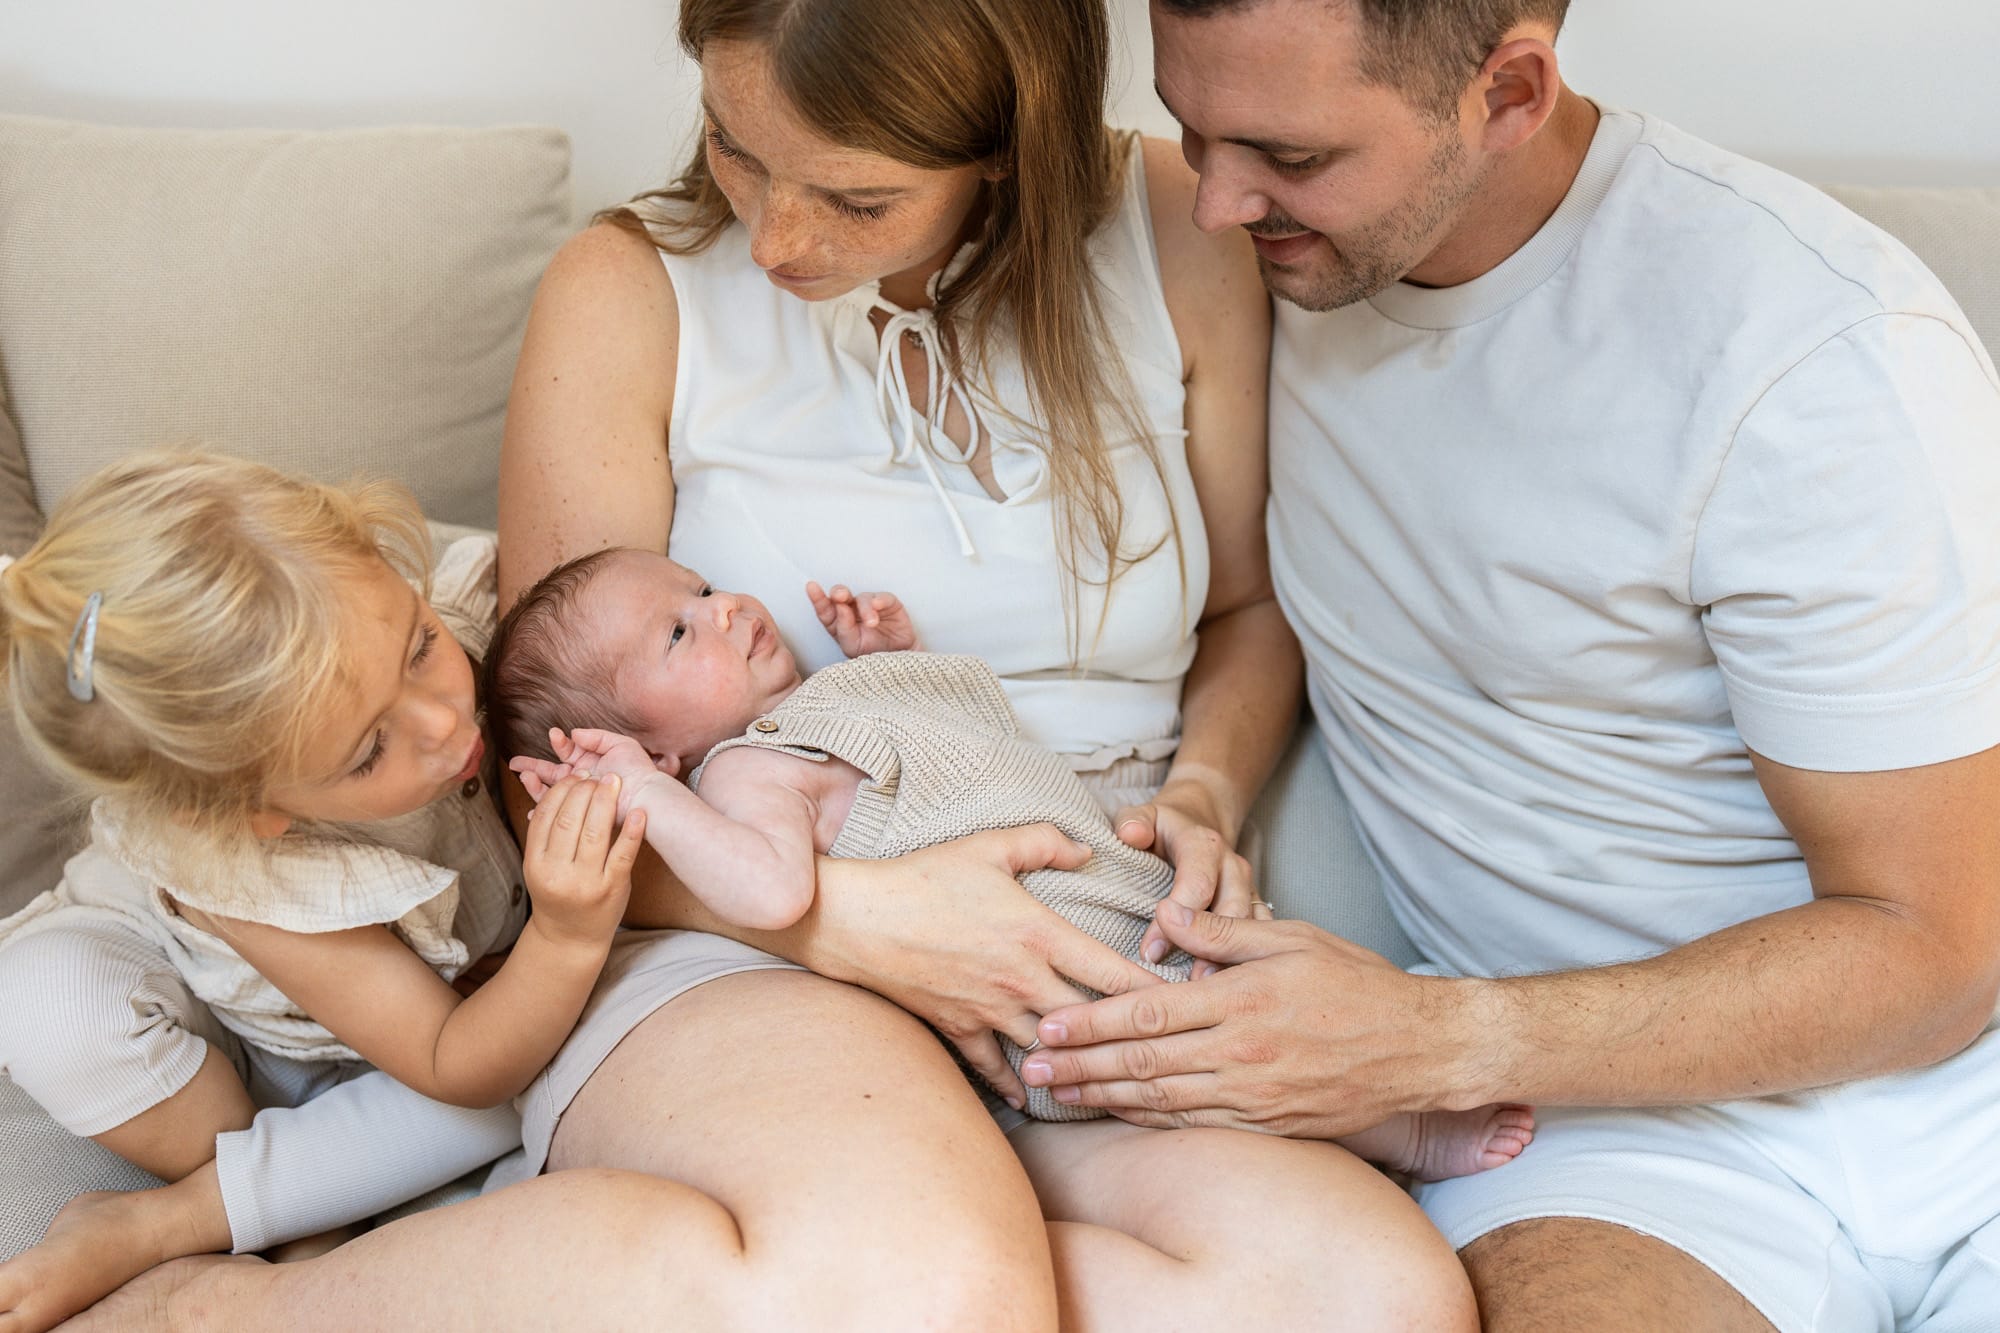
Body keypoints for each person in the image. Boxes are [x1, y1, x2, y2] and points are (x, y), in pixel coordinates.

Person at [45, 1, 1476, 1327]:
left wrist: (1206, 794)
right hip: (732, 933)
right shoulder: (627, 289)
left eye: (854, 198)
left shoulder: (1180, 222)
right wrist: (862, 922)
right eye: (737, 150)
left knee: (1365, 1296)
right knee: (918, 1285)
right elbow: (551, 774)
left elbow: (1245, 613)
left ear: (1007, 146)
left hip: (1073, 930)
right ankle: (223, 1312)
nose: (778, 241)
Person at [1018, 1, 2000, 1329]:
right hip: (1602, 1136)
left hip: (1956, 1096)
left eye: (1291, 157)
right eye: (1192, 132)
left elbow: (1934, 953)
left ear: (1511, 93)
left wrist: (1424, 1041)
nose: (1217, 205)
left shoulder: (1808, 350)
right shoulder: (1241, 275)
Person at [487, 545, 1535, 1170]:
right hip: (1056, 963)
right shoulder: (740, 775)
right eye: (677, 635)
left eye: (702, 588)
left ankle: (1405, 1059)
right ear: (655, 751)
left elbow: (934, 751)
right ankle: (1401, 1137)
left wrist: (891, 661)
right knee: (1202, 1053)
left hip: (1113, 882)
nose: (723, 608)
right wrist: (649, 799)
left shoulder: (819, 704)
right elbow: (770, 888)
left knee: (1274, 972)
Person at [0, 451, 641, 1330]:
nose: (445, 719)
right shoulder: (248, 867)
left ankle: (280, 1189)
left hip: (388, 1024)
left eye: (420, 645)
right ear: (253, 811)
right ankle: (236, 1198)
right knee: (48, 1004)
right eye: (369, 751)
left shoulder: (391, 600)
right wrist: (563, 939)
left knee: (562, 1059)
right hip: (198, 984)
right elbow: (452, 1059)